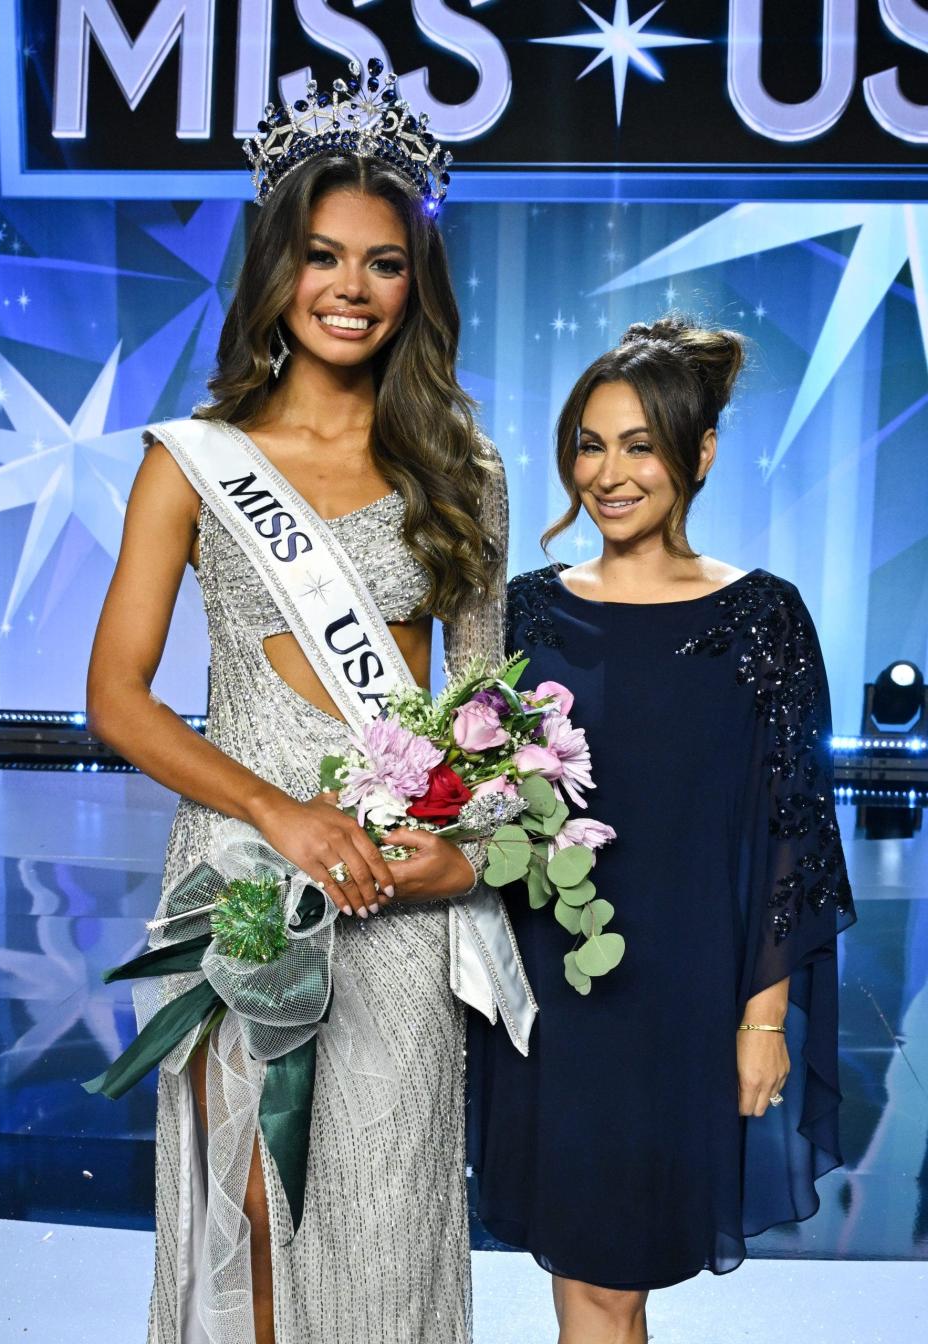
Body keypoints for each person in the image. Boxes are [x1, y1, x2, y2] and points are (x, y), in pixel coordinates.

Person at [87, 62, 515, 1344]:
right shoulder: (194, 464)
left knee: (383, 1212)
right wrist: (282, 817)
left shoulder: (460, 470)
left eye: (385, 263)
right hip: (244, 877)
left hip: (396, 898)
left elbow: (490, 713)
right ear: (277, 269)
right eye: (323, 255)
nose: (351, 287)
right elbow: (117, 697)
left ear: (414, 285)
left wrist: (467, 849)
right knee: (251, 1205)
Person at [468, 317, 856, 1344]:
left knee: (619, 1284)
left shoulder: (762, 617)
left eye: (639, 444)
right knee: (594, 1285)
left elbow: (792, 833)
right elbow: (481, 801)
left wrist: (761, 1022)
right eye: (590, 445)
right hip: (553, 998)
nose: (609, 472)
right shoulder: (525, 613)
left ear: (701, 453)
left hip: (682, 1001)